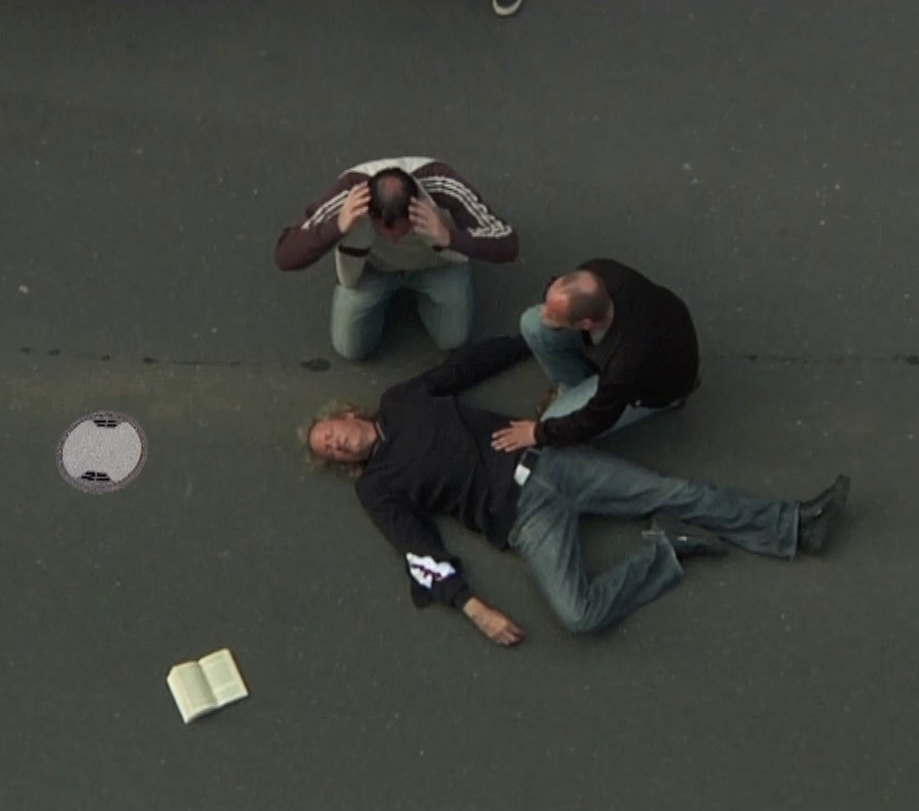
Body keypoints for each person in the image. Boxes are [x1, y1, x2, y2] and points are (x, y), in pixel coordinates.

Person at [303, 334, 851, 646]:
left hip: (550, 462)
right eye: (329, 451)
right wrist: (473, 608)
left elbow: (463, 367)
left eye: (330, 433)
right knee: (579, 615)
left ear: (347, 414)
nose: (336, 444)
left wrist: (530, 339)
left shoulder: (402, 401)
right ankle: (668, 550)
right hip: (524, 522)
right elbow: (418, 550)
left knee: (673, 491)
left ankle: (794, 525)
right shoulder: (376, 489)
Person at [274, 157, 519, 361]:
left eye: (403, 230)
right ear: (369, 212)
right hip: (373, 269)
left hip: (435, 265)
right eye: (383, 230)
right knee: (350, 349)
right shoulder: (349, 194)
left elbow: (508, 243)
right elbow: (285, 255)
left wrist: (449, 237)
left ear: (416, 206)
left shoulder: (443, 184)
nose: (393, 239)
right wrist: (337, 226)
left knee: (453, 340)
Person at [490, 258, 700, 453]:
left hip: (657, 383)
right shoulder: (597, 273)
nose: (545, 314)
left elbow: (596, 418)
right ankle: (575, 386)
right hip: (652, 332)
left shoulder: (624, 363)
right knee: (533, 324)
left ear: (585, 324)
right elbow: (558, 286)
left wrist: (538, 433)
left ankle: (672, 401)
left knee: (552, 420)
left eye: (553, 315)